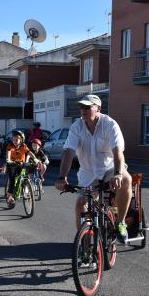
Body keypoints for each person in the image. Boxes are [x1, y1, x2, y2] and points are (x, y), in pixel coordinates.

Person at [54, 94, 132, 244]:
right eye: (81, 107)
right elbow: (69, 152)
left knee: (126, 180)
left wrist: (117, 174)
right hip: (88, 173)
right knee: (81, 203)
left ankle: (120, 222)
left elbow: (118, 152)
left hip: (110, 169)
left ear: (98, 108)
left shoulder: (110, 124)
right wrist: (62, 177)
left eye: (88, 107)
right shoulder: (77, 127)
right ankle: (83, 242)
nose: (83, 110)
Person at [5, 130, 39, 205]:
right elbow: (9, 153)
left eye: (17, 139)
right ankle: (10, 196)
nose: (15, 141)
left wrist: (35, 159)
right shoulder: (10, 145)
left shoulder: (24, 146)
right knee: (12, 179)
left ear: (21, 140)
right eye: (13, 139)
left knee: (25, 175)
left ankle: (25, 187)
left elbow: (29, 152)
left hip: (21, 164)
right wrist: (9, 160)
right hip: (12, 164)